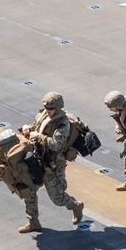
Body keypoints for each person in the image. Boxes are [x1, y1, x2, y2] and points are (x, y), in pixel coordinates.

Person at [17, 92, 84, 233]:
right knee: (29, 190)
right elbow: (37, 126)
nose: (47, 111)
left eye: (51, 109)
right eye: (46, 108)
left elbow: (56, 145)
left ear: (58, 109)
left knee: (57, 197)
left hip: (51, 163)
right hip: (36, 157)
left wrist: (39, 136)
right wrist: (28, 129)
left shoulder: (63, 123)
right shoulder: (44, 115)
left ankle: (75, 206)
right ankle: (33, 221)